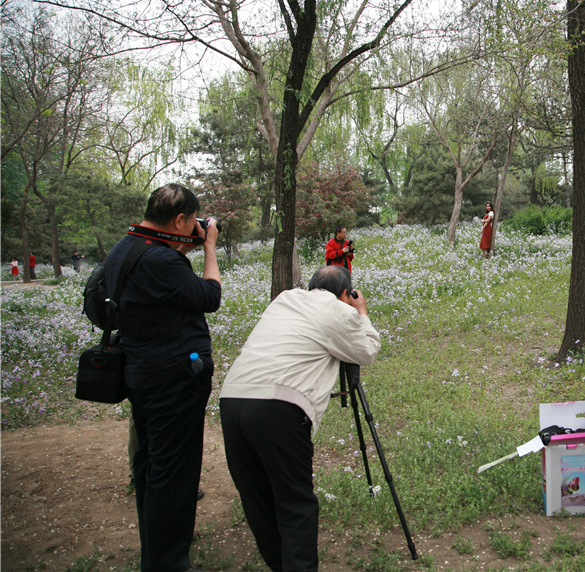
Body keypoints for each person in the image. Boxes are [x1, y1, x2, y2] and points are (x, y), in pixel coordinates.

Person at [220, 265, 381, 572]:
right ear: (346, 293)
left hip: (232, 400)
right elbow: (367, 350)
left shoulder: (284, 299)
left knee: (258, 499)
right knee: (295, 504)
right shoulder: (339, 310)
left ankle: (280, 565)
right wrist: (361, 312)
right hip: (278, 409)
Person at [104, 183, 221, 572]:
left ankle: (155, 553)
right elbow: (209, 297)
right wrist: (208, 248)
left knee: (151, 465)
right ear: (180, 220)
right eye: (191, 225)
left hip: (140, 372)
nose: (193, 231)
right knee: (174, 473)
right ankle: (169, 563)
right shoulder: (162, 261)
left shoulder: (124, 249)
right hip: (174, 378)